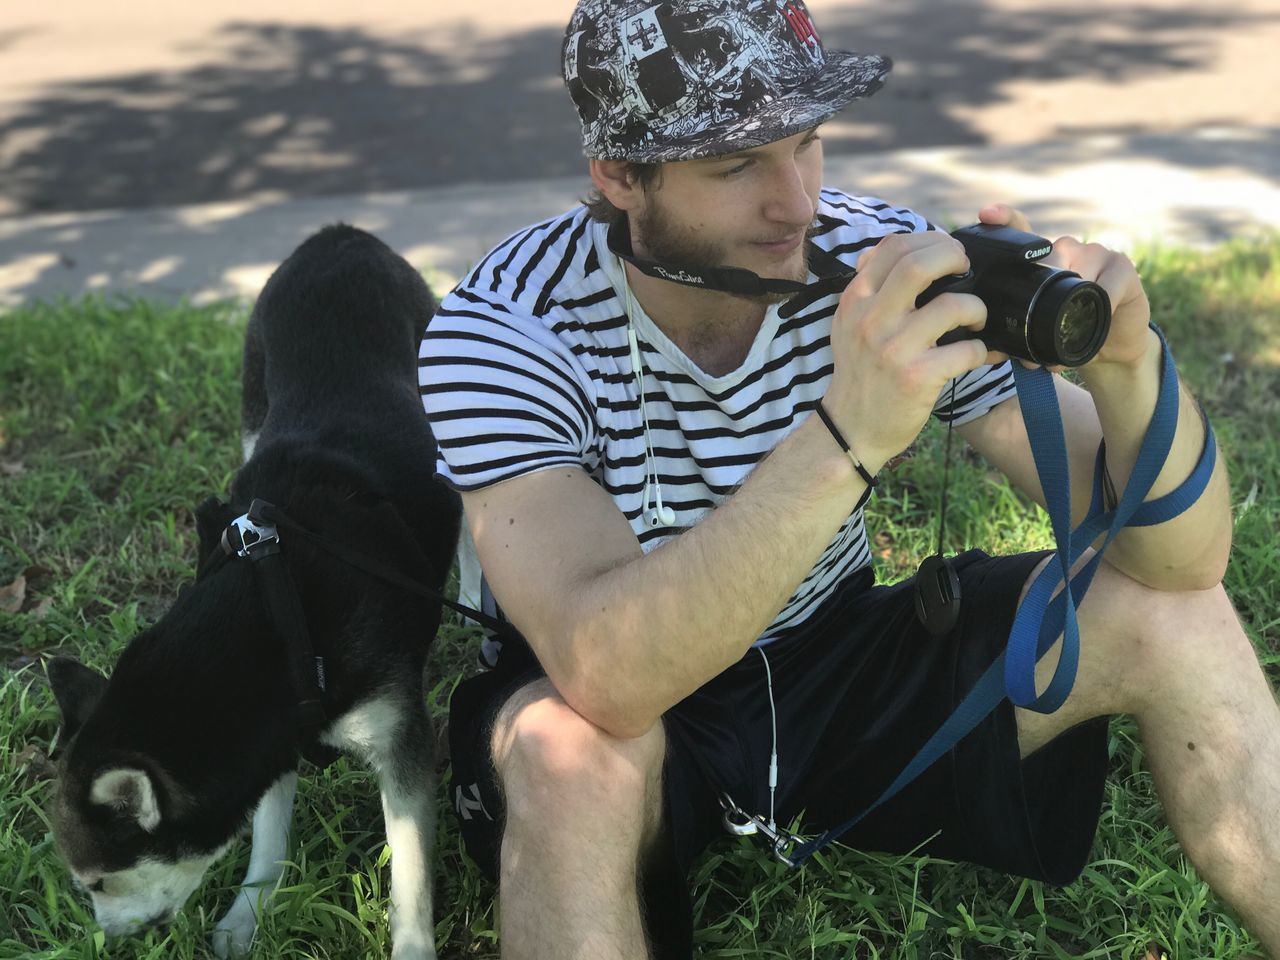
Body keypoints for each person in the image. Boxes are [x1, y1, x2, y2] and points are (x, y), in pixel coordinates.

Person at [418, 1, 1280, 957]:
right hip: (637, 718)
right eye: (734, 164)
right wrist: (847, 436)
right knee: (562, 752)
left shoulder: (872, 258)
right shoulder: (502, 332)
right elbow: (605, 676)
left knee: (1177, 618)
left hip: (836, 659)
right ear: (620, 174)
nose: (795, 203)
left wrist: (1129, 369)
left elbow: (1182, 562)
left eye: (808, 143)